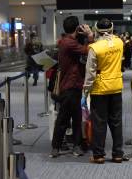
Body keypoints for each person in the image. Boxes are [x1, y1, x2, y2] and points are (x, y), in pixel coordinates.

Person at [50, 16, 93, 158]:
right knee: (65, 118)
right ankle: (60, 147)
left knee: (74, 117)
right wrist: (90, 36)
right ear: (76, 28)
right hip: (70, 85)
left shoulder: (67, 41)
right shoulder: (69, 43)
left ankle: (72, 145)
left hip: (71, 85)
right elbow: (89, 51)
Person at [83, 18, 125, 164]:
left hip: (100, 89)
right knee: (116, 122)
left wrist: (85, 91)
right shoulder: (120, 43)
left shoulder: (94, 48)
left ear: (96, 30)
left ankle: (99, 155)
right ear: (112, 29)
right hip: (116, 86)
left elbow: (90, 72)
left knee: (99, 123)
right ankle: (118, 154)